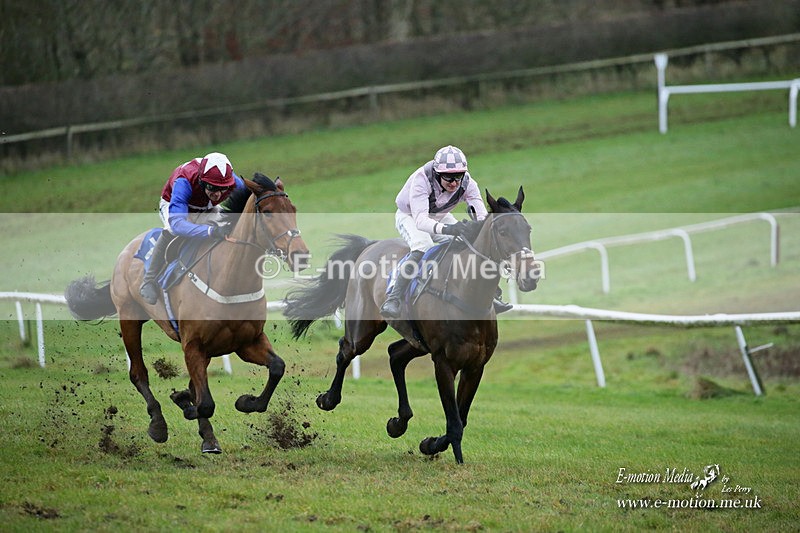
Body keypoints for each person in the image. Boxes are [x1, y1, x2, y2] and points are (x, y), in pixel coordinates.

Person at [380, 145, 512, 319]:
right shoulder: (422, 180)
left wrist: (477, 229)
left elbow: (481, 214)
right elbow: (421, 221)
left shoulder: (468, 183)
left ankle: (492, 294)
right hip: (410, 216)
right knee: (423, 245)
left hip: (439, 215)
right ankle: (394, 297)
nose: (454, 183)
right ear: (437, 174)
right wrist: (450, 229)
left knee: (468, 243)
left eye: (458, 177)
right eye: (449, 178)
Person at [139, 152, 247, 305]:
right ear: (202, 182)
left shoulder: (233, 182)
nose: (217, 194)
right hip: (174, 205)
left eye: (222, 189)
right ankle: (149, 280)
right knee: (171, 230)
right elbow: (177, 225)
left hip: (206, 206)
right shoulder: (184, 180)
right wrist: (210, 231)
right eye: (212, 188)